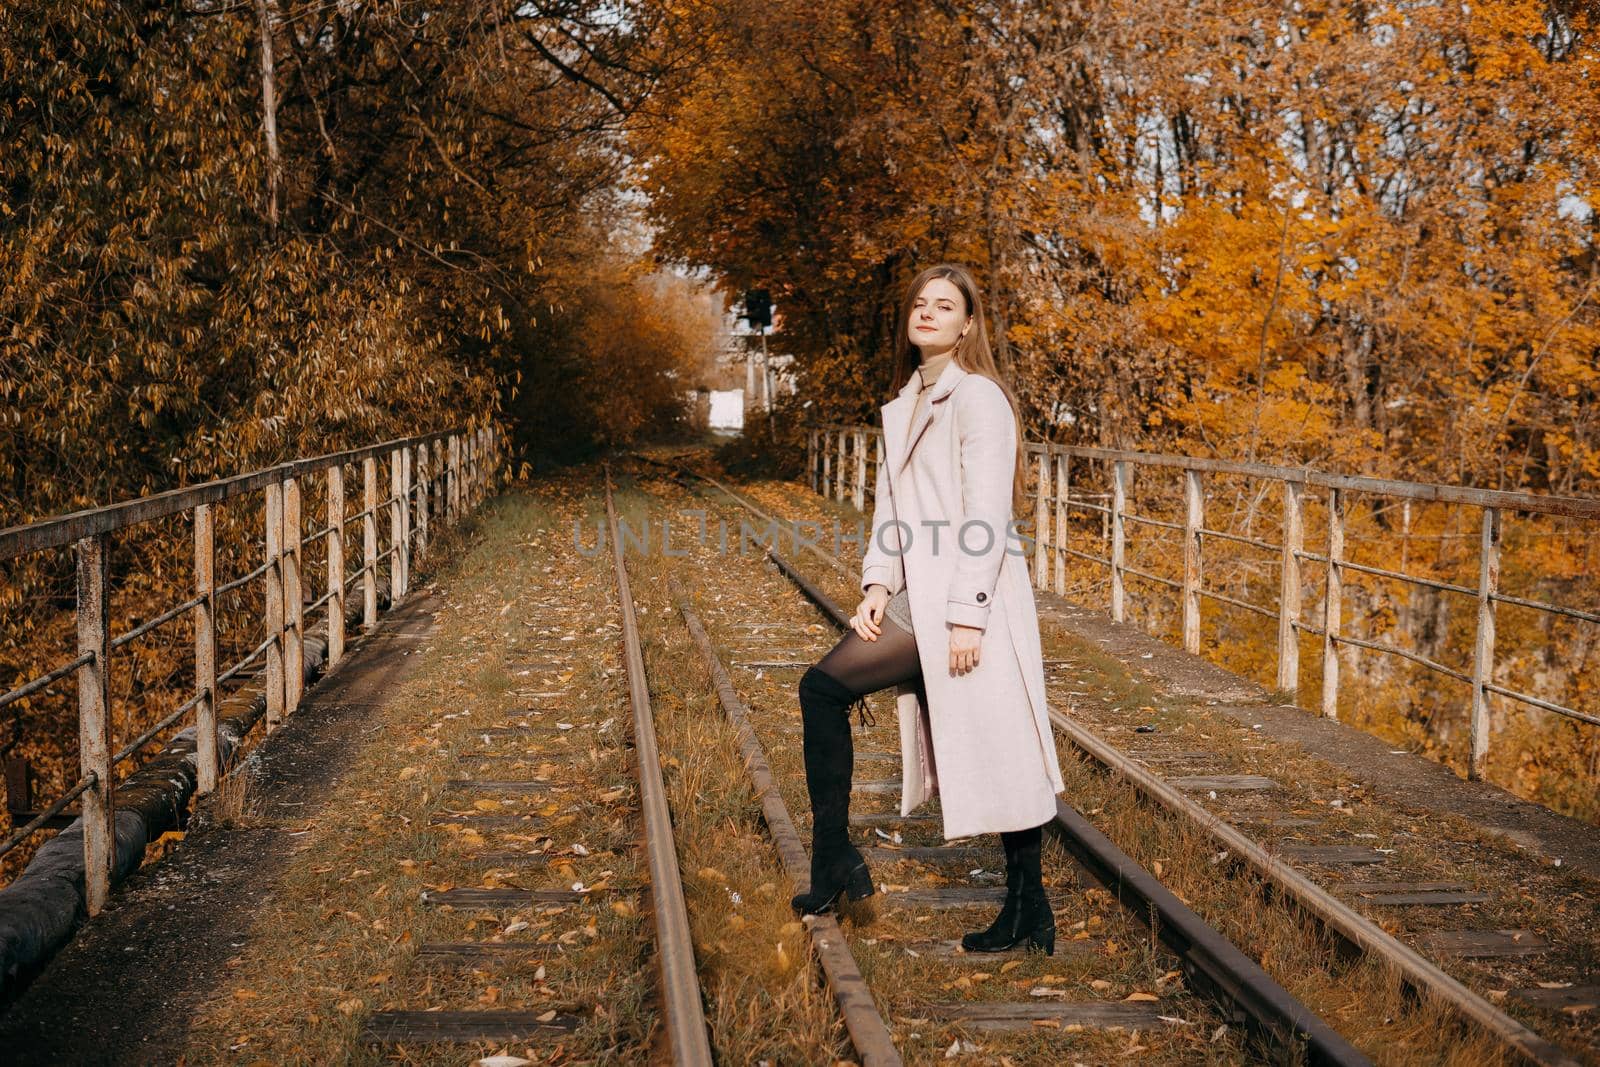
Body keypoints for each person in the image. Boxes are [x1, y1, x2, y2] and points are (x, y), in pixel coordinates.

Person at [790, 263, 1066, 957]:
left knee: (1002, 746)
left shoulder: (978, 399)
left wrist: (969, 614)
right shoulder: (907, 401)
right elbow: (891, 511)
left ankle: (1023, 908)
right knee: (827, 689)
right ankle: (838, 860)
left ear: (968, 324)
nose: (928, 313)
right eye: (920, 303)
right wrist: (878, 585)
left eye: (945, 306)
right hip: (922, 594)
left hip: (972, 597)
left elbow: (986, 515)